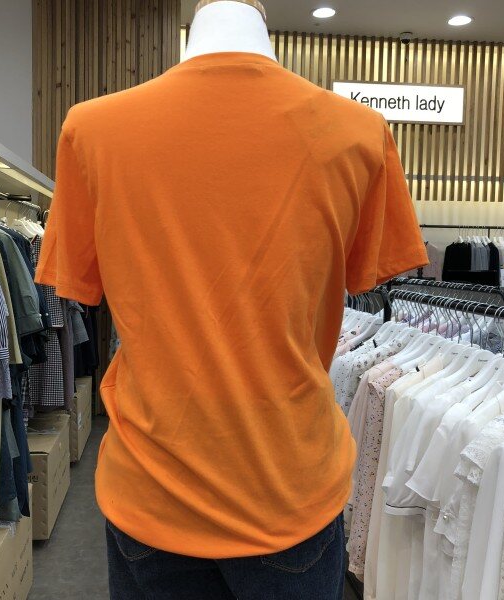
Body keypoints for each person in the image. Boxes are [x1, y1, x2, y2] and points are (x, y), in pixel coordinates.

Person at [36, 1, 427, 598]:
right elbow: (363, 277)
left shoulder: (92, 128)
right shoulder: (357, 132)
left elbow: (82, 286)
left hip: (153, 488)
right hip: (287, 488)